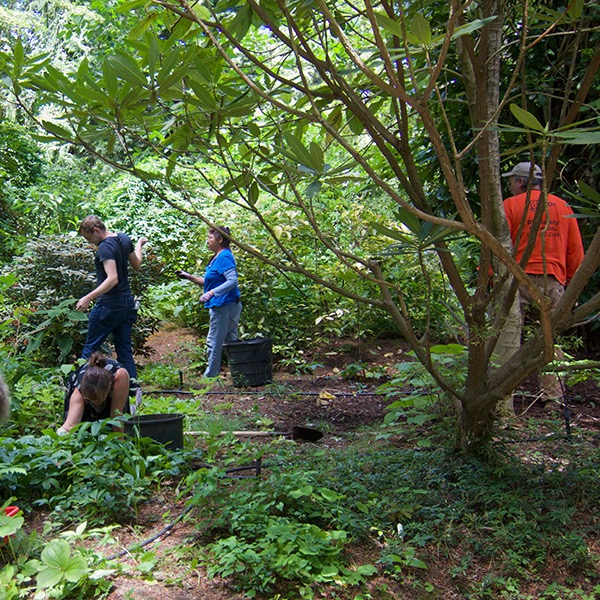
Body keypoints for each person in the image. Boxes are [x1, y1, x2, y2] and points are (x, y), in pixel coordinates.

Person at [502, 161, 585, 408]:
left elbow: (498, 246)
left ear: (519, 183)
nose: (510, 187)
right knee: (550, 341)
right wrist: (571, 285)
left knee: (507, 337)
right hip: (552, 280)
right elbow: (576, 251)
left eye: (511, 183)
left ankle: (504, 399)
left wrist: (489, 279)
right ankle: (553, 398)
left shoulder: (509, 206)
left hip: (518, 280)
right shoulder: (563, 206)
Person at [76, 215, 148, 382]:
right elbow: (137, 264)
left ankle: (77, 389)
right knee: (124, 352)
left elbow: (112, 278)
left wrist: (88, 297)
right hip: (126, 304)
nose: (90, 242)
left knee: (90, 349)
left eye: (89, 238)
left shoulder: (105, 247)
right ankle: (132, 391)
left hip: (109, 305)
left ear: (96, 230)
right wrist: (139, 244)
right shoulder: (123, 238)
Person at [177, 226, 242, 378]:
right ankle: (239, 374)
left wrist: (212, 293)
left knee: (214, 342)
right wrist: (189, 277)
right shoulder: (217, 257)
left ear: (220, 240)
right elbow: (210, 282)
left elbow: (232, 281)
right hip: (225, 304)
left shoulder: (224, 256)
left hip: (224, 305)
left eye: (210, 238)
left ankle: (210, 378)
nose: (207, 241)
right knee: (231, 341)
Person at [58, 352, 130, 434]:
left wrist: (121, 444)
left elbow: (117, 416)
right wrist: (60, 435)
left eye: (98, 400)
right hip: (83, 386)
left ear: (109, 387)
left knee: (115, 424)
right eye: (91, 400)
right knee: (79, 432)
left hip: (113, 386)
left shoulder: (120, 376)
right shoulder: (79, 387)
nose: (95, 404)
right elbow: (70, 425)